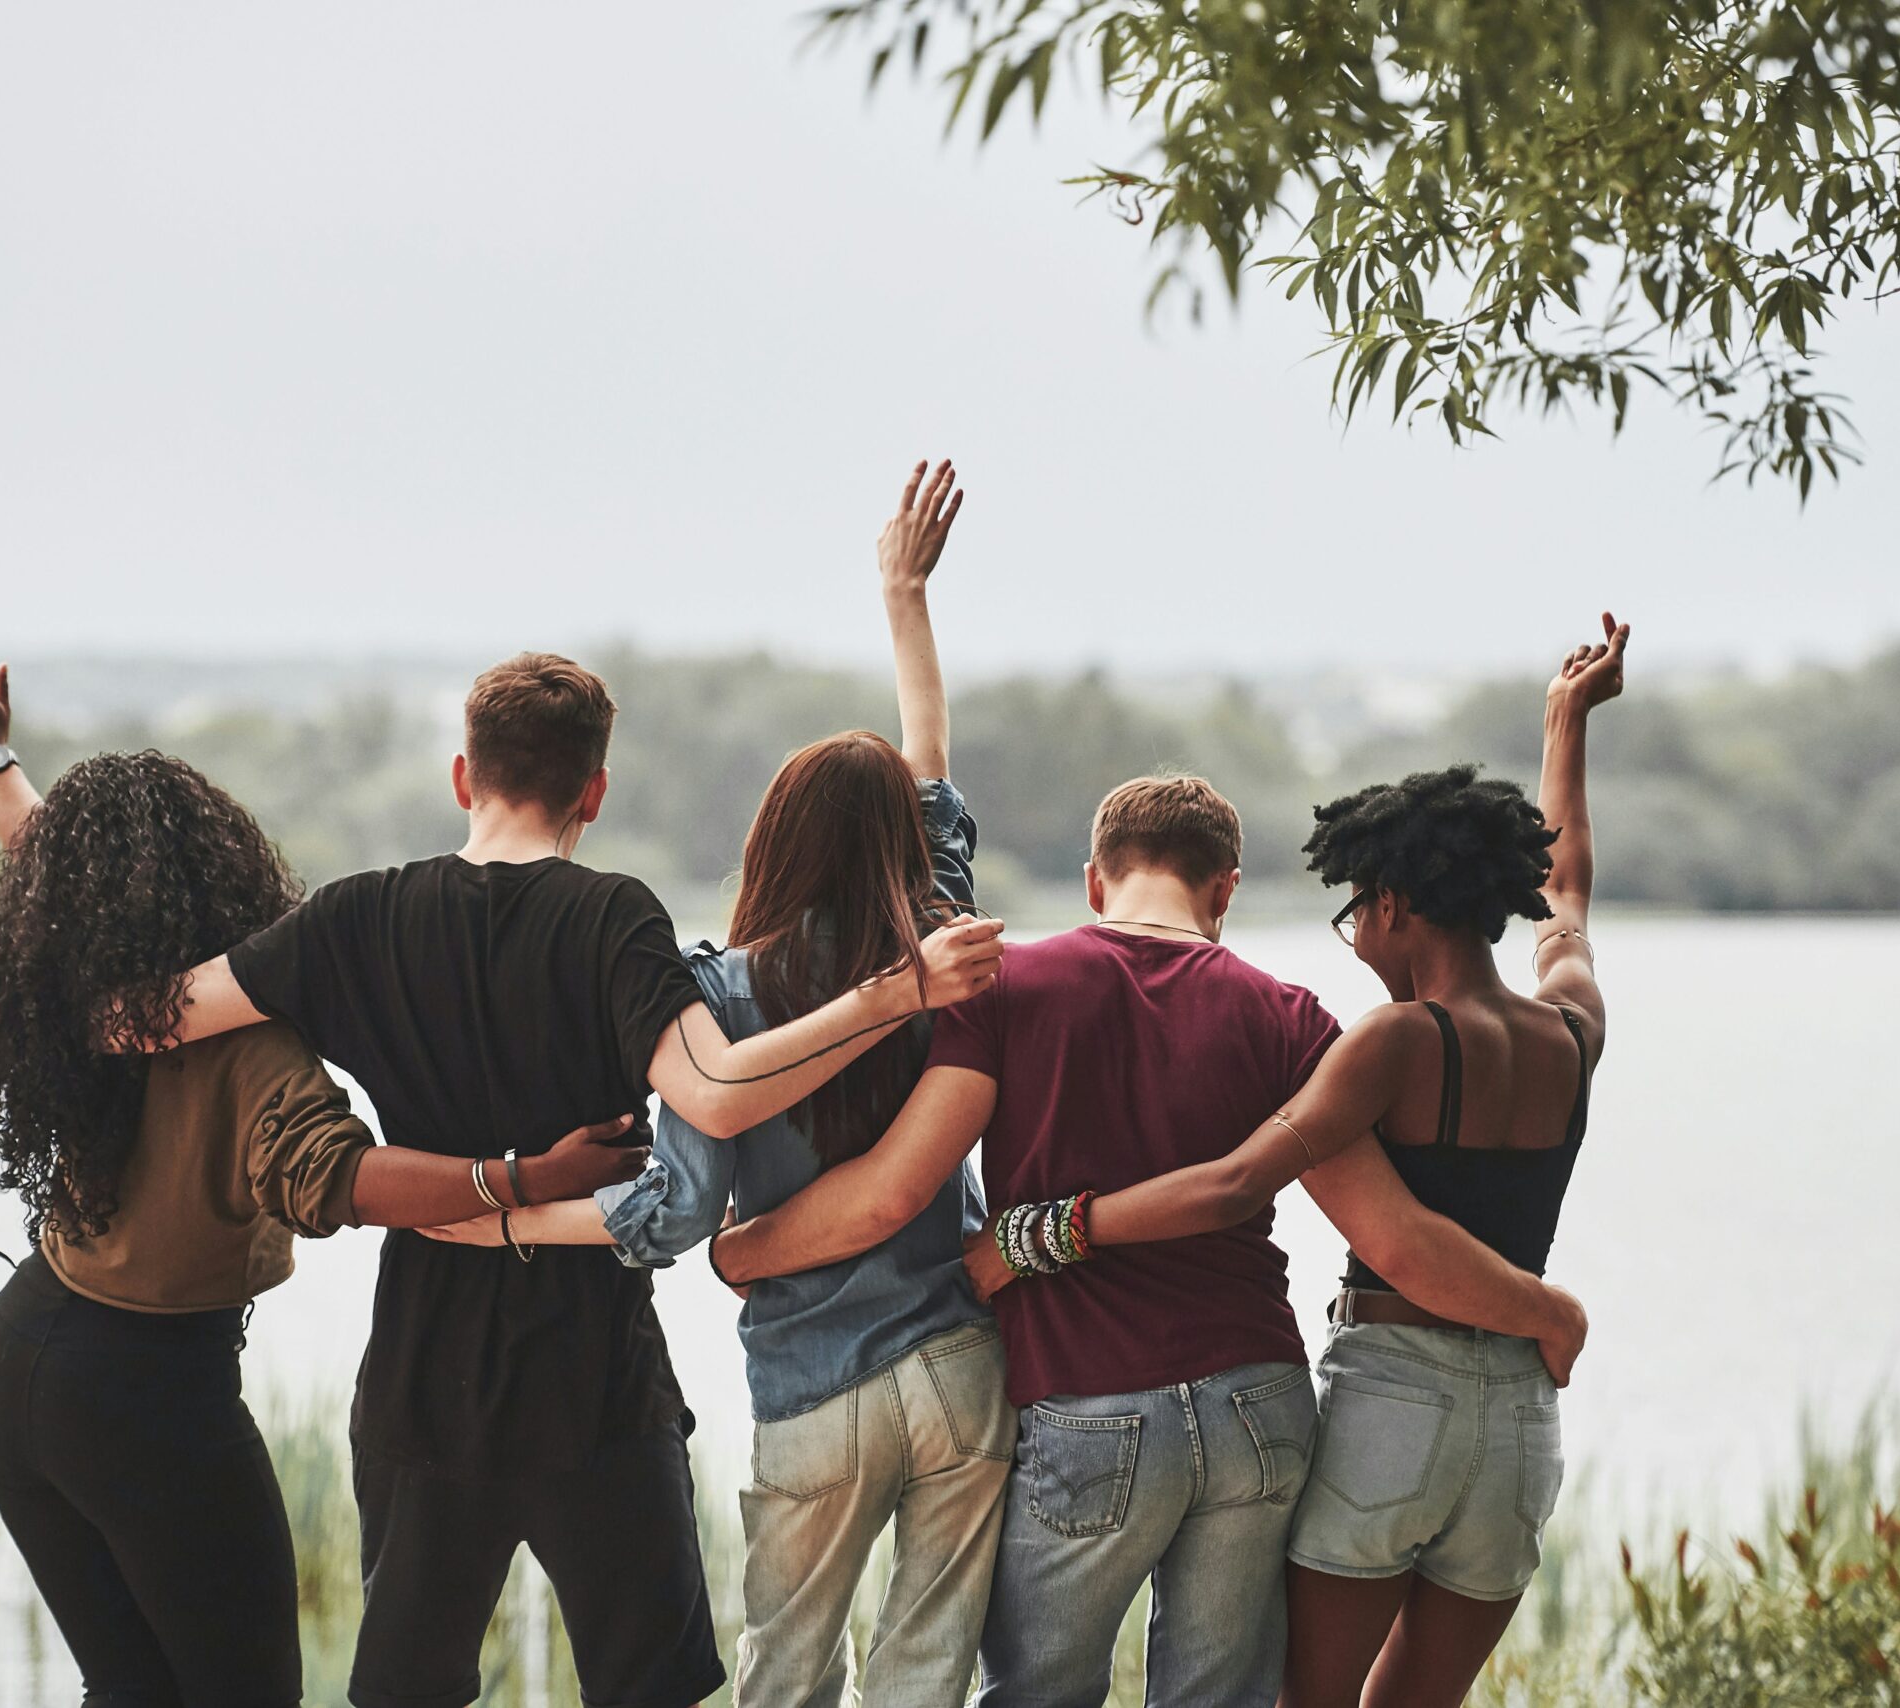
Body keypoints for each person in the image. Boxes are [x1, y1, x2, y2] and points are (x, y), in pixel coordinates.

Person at [110, 595, 1008, 1708]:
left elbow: (153, 1019)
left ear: (462, 776)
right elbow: (713, 1097)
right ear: (596, 791)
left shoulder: (351, 921)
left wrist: (31, 967)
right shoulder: (615, 920)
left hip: (424, 1376)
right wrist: (898, 991)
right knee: (650, 1688)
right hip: (598, 1385)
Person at [709, 772, 1587, 1708]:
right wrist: (1543, 1310)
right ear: (1226, 889)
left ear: (1095, 880)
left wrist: (742, 1250)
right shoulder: (1292, 1019)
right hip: (1259, 1403)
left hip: (1089, 1401)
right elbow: (1394, 1234)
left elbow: (896, 1190)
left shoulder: (1008, 988)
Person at [0, 635, 651, 1708]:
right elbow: (340, 1180)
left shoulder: (86, 986)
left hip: (20, 1364)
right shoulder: (251, 1045)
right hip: (146, 1390)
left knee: (131, 1688)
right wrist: (524, 1174)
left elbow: (56, 864)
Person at [423, 461, 1011, 1708]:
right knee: (927, 1674)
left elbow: (676, 1212)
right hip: (962, 1359)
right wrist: (904, 598)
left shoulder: (723, 996)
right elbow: (929, 769)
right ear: (904, 849)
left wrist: (508, 1216)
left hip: (815, 1378)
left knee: (783, 1677)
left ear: (771, 839)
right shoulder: (942, 946)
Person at [964, 616, 1628, 1708]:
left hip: (1393, 1399)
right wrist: (1566, 725)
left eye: (1353, 910)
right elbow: (1567, 894)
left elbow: (1245, 1185)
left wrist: (1038, 1234)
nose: (1352, 935)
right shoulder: (1571, 1024)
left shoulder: (1392, 1042)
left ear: (1393, 905)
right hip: (1517, 1421)